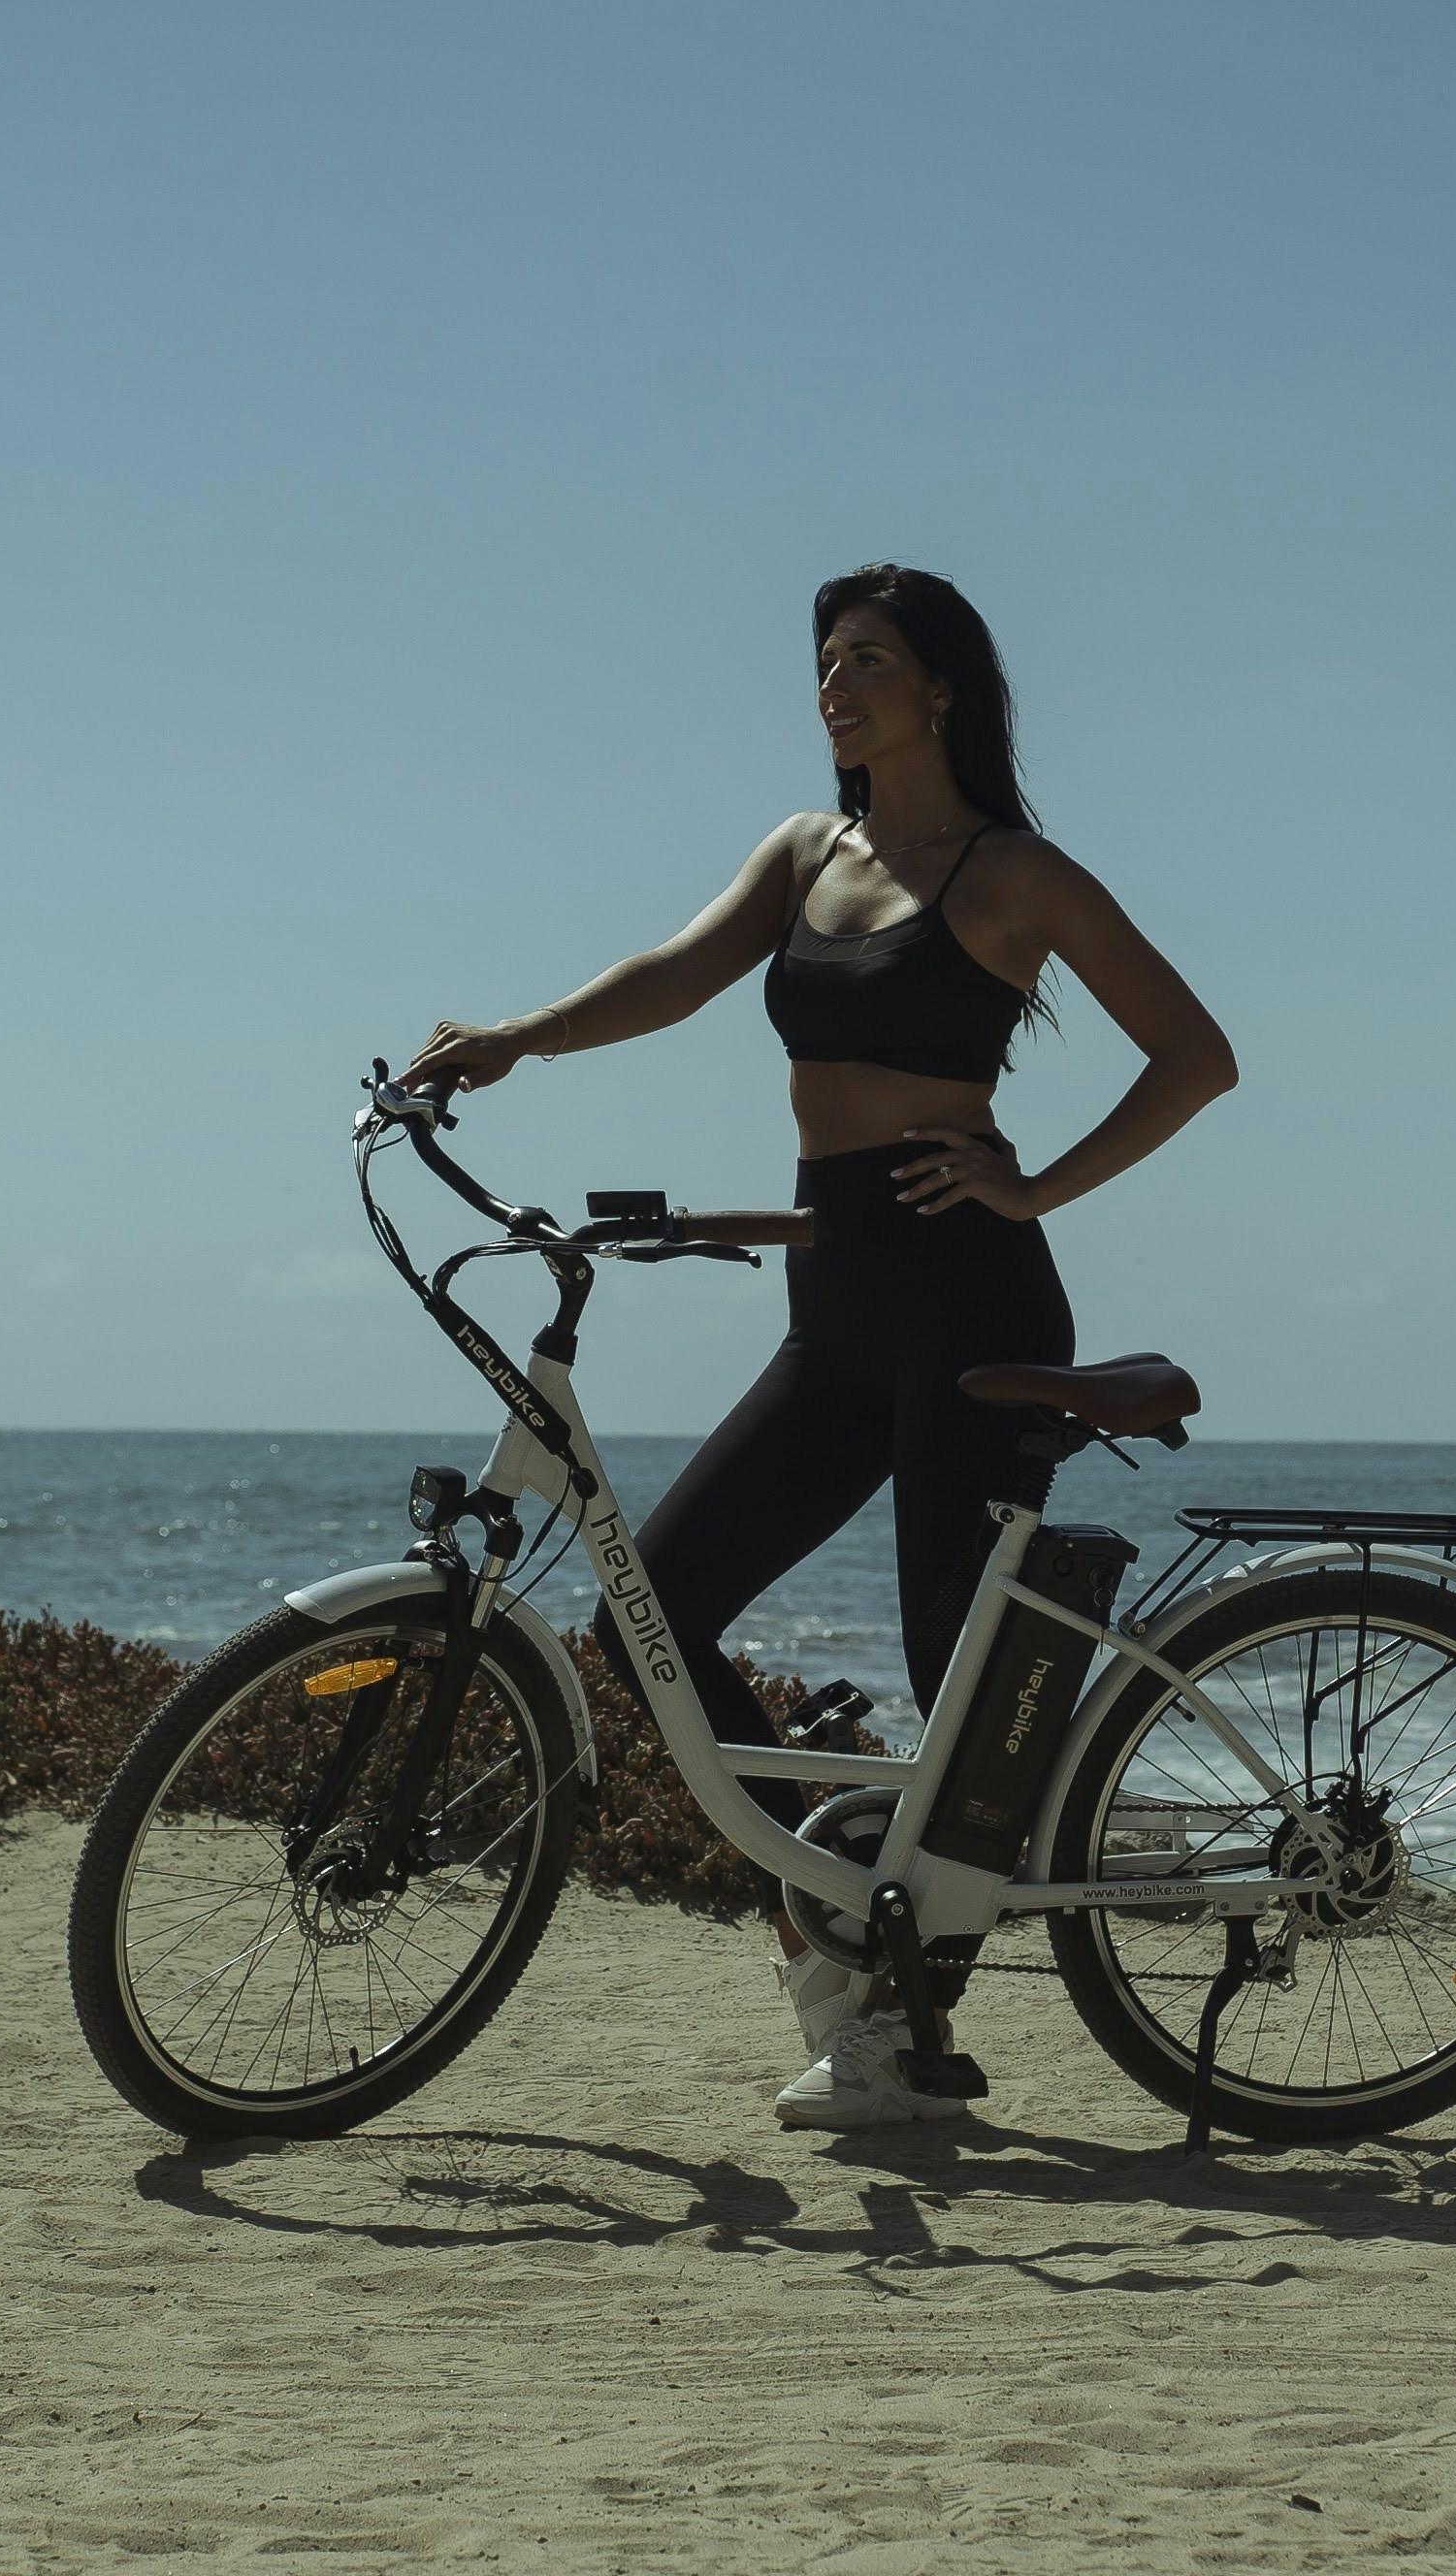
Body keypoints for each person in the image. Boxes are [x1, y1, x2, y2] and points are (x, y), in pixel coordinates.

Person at [399, 564, 1236, 2132]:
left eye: (869, 664)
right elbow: (672, 972)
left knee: (953, 1674)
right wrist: (522, 1037)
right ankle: (831, 1896)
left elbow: (1200, 1056)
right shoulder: (807, 850)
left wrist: (1036, 1180)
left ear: (941, 693)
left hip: (971, 1304)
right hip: (837, 1300)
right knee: (656, 1603)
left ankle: (898, 2031)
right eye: (825, 664)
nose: (837, 687)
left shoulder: (1011, 875)